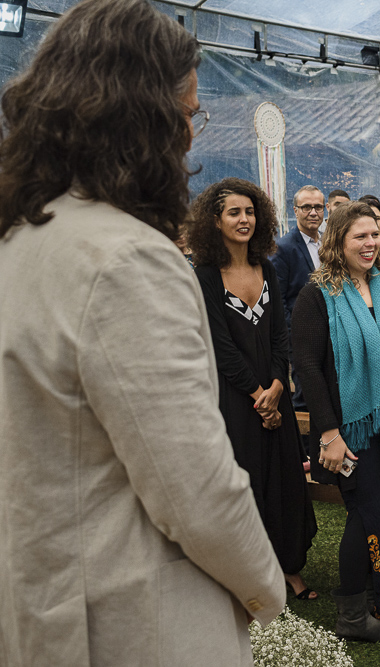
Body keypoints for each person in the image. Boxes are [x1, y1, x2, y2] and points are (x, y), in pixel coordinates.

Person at [0, 0, 285, 663]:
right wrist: (268, 589)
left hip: (43, 594)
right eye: (187, 115)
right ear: (144, 120)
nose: (191, 136)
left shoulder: (22, 239)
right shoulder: (127, 259)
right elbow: (195, 490)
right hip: (134, 615)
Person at [292, 201, 380, 642]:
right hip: (349, 431)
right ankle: (352, 616)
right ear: (337, 241)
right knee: (367, 513)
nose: (370, 244)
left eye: (374, 236)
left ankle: (378, 601)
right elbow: (308, 368)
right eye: (359, 237)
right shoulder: (318, 294)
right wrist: (329, 432)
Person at [190, 178, 319, 601]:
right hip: (234, 400)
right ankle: (249, 574)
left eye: (249, 212)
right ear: (215, 219)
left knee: (284, 480)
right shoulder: (205, 274)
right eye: (234, 212)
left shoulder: (266, 265)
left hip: (276, 396)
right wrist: (257, 396)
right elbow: (220, 346)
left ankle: (288, 567)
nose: (244, 219)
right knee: (246, 483)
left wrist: (279, 386)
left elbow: (281, 333)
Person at [272, 184, 325, 410]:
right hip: (302, 336)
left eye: (318, 207)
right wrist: (293, 336)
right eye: (306, 207)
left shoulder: (327, 242)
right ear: (295, 211)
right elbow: (278, 298)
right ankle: (304, 444)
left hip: (330, 330)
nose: (313, 212)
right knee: (306, 395)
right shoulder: (283, 248)